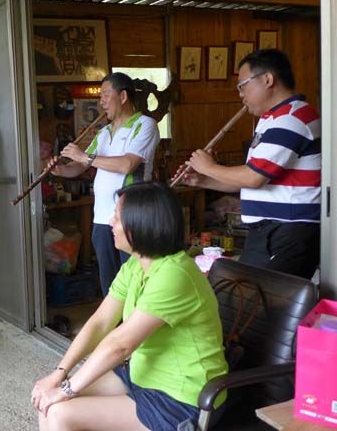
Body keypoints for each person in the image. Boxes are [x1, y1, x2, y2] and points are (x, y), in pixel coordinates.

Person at [31, 182, 228, 431]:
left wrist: (68, 389)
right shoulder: (135, 265)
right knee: (48, 402)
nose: (110, 223)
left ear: (141, 224)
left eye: (117, 217)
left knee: (60, 412)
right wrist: (60, 374)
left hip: (182, 397)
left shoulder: (175, 274)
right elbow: (100, 323)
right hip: (142, 374)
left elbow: (121, 344)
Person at [181, 49, 320, 280]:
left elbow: (254, 177)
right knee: (244, 295)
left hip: (288, 231)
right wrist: (203, 179)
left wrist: (208, 166)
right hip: (270, 231)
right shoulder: (273, 119)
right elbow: (248, 180)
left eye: (243, 85)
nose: (240, 94)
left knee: (260, 297)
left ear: (267, 79)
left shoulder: (292, 118)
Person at [52, 72, 159, 296]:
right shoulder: (103, 133)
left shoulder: (145, 125)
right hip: (102, 219)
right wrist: (60, 170)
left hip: (131, 218)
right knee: (110, 285)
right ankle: (113, 319)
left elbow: (127, 165)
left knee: (134, 282)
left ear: (123, 96)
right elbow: (79, 167)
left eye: (105, 95)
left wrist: (84, 156)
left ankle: (135, 319)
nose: (101, 102)